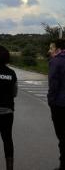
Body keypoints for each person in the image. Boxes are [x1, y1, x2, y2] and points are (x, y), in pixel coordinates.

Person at [48, 39, 65, 170]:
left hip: (60, 104)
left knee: (62, 136)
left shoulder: (56, 62)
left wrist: (50, 101)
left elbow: (53, 84)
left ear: (58, 49)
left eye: (51, 48)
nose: (49, 51)